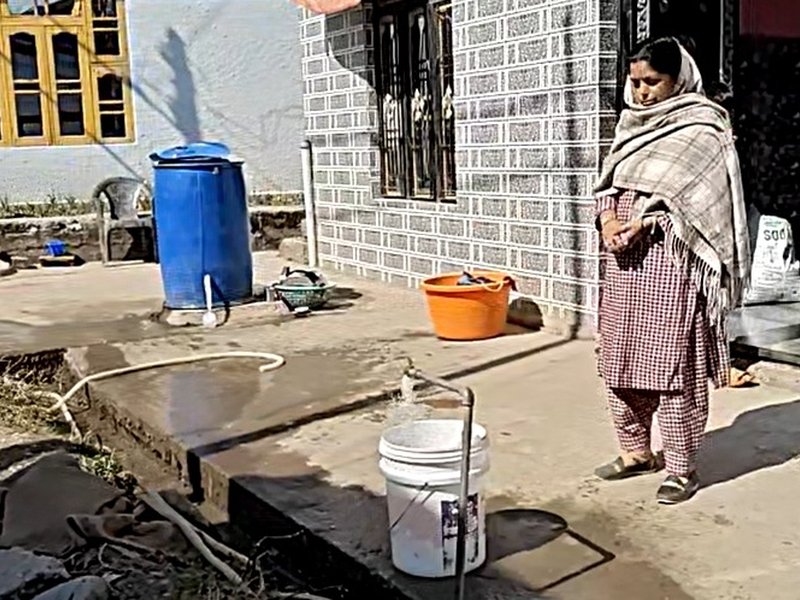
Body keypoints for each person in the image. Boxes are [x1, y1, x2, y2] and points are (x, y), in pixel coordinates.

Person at [592, 37, 751, 504]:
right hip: (622, 263)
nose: (641, 93)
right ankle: (636, 452)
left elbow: (704, 206)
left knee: (672, 369)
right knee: (618, 363)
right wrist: (608, 221)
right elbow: (608, 184)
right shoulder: (629, 126)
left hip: (670, 263)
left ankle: (682, 468)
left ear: (677, 79)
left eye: (652, 82)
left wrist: (646, 222)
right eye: (635, 81)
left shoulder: (703, 130)